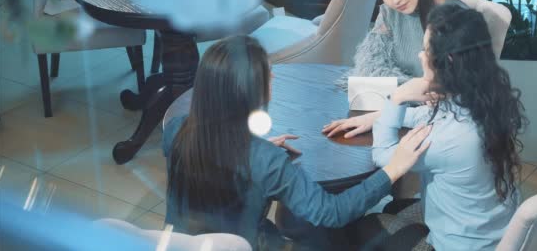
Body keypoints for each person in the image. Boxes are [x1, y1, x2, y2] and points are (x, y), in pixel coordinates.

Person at [162, 35, 431, 249]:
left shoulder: (175, 130)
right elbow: (331, 212)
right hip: (242, 246)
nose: (274, 76)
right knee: (316, 231)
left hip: (180, 244)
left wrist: (254, 149)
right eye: (267, 72)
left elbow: (214, 162)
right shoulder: (265, 160)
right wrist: (392, 169)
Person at [362, 4, 526, 250]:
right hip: (492, 230)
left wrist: (397, 98)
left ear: (447, 60)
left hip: (460, 244)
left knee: (366, 225)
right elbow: (431, 114)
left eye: (425, 49)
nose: (420, 55)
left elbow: (385, 158)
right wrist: (379, 116)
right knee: (393, 207)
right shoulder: (487, 95)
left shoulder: (452, 139)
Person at [325, 0, 511, 139]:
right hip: (400, 108)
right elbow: (370, 65)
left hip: (442, 123)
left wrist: (398, 99)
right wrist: (410, 89)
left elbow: (452, 94)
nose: (395, 0)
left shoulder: (452, 17)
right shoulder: (390, 12)